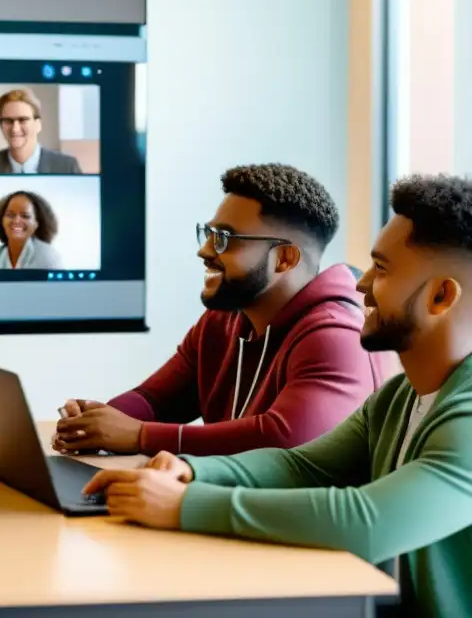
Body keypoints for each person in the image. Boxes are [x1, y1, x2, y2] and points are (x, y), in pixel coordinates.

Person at [83, 174, 472, 617]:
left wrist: (184, 506)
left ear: (441, 296)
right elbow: (300, 463)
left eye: (381, 269)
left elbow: (369, 520)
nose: (360, 285)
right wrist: (191, 471)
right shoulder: (399, 397)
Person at [55, 163, 396, 457]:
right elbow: (155, 399)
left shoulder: (337, 335)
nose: (205, 250)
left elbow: (288, 439)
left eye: (226, 239)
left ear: (285, 258)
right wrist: (93, 423)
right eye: (209, 233)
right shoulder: (223, 321)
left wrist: (138, 436)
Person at [0, 88, 82, 174]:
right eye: (8, 121)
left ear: (38, 125)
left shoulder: (67, 166)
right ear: (0, 125)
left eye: (23, 120)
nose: (15, 129)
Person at [0, 191, 63, 270]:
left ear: (36, 223)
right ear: (1, 220)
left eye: (25, 216)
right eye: (10, 215)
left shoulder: (48, 256)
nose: (16, 221)